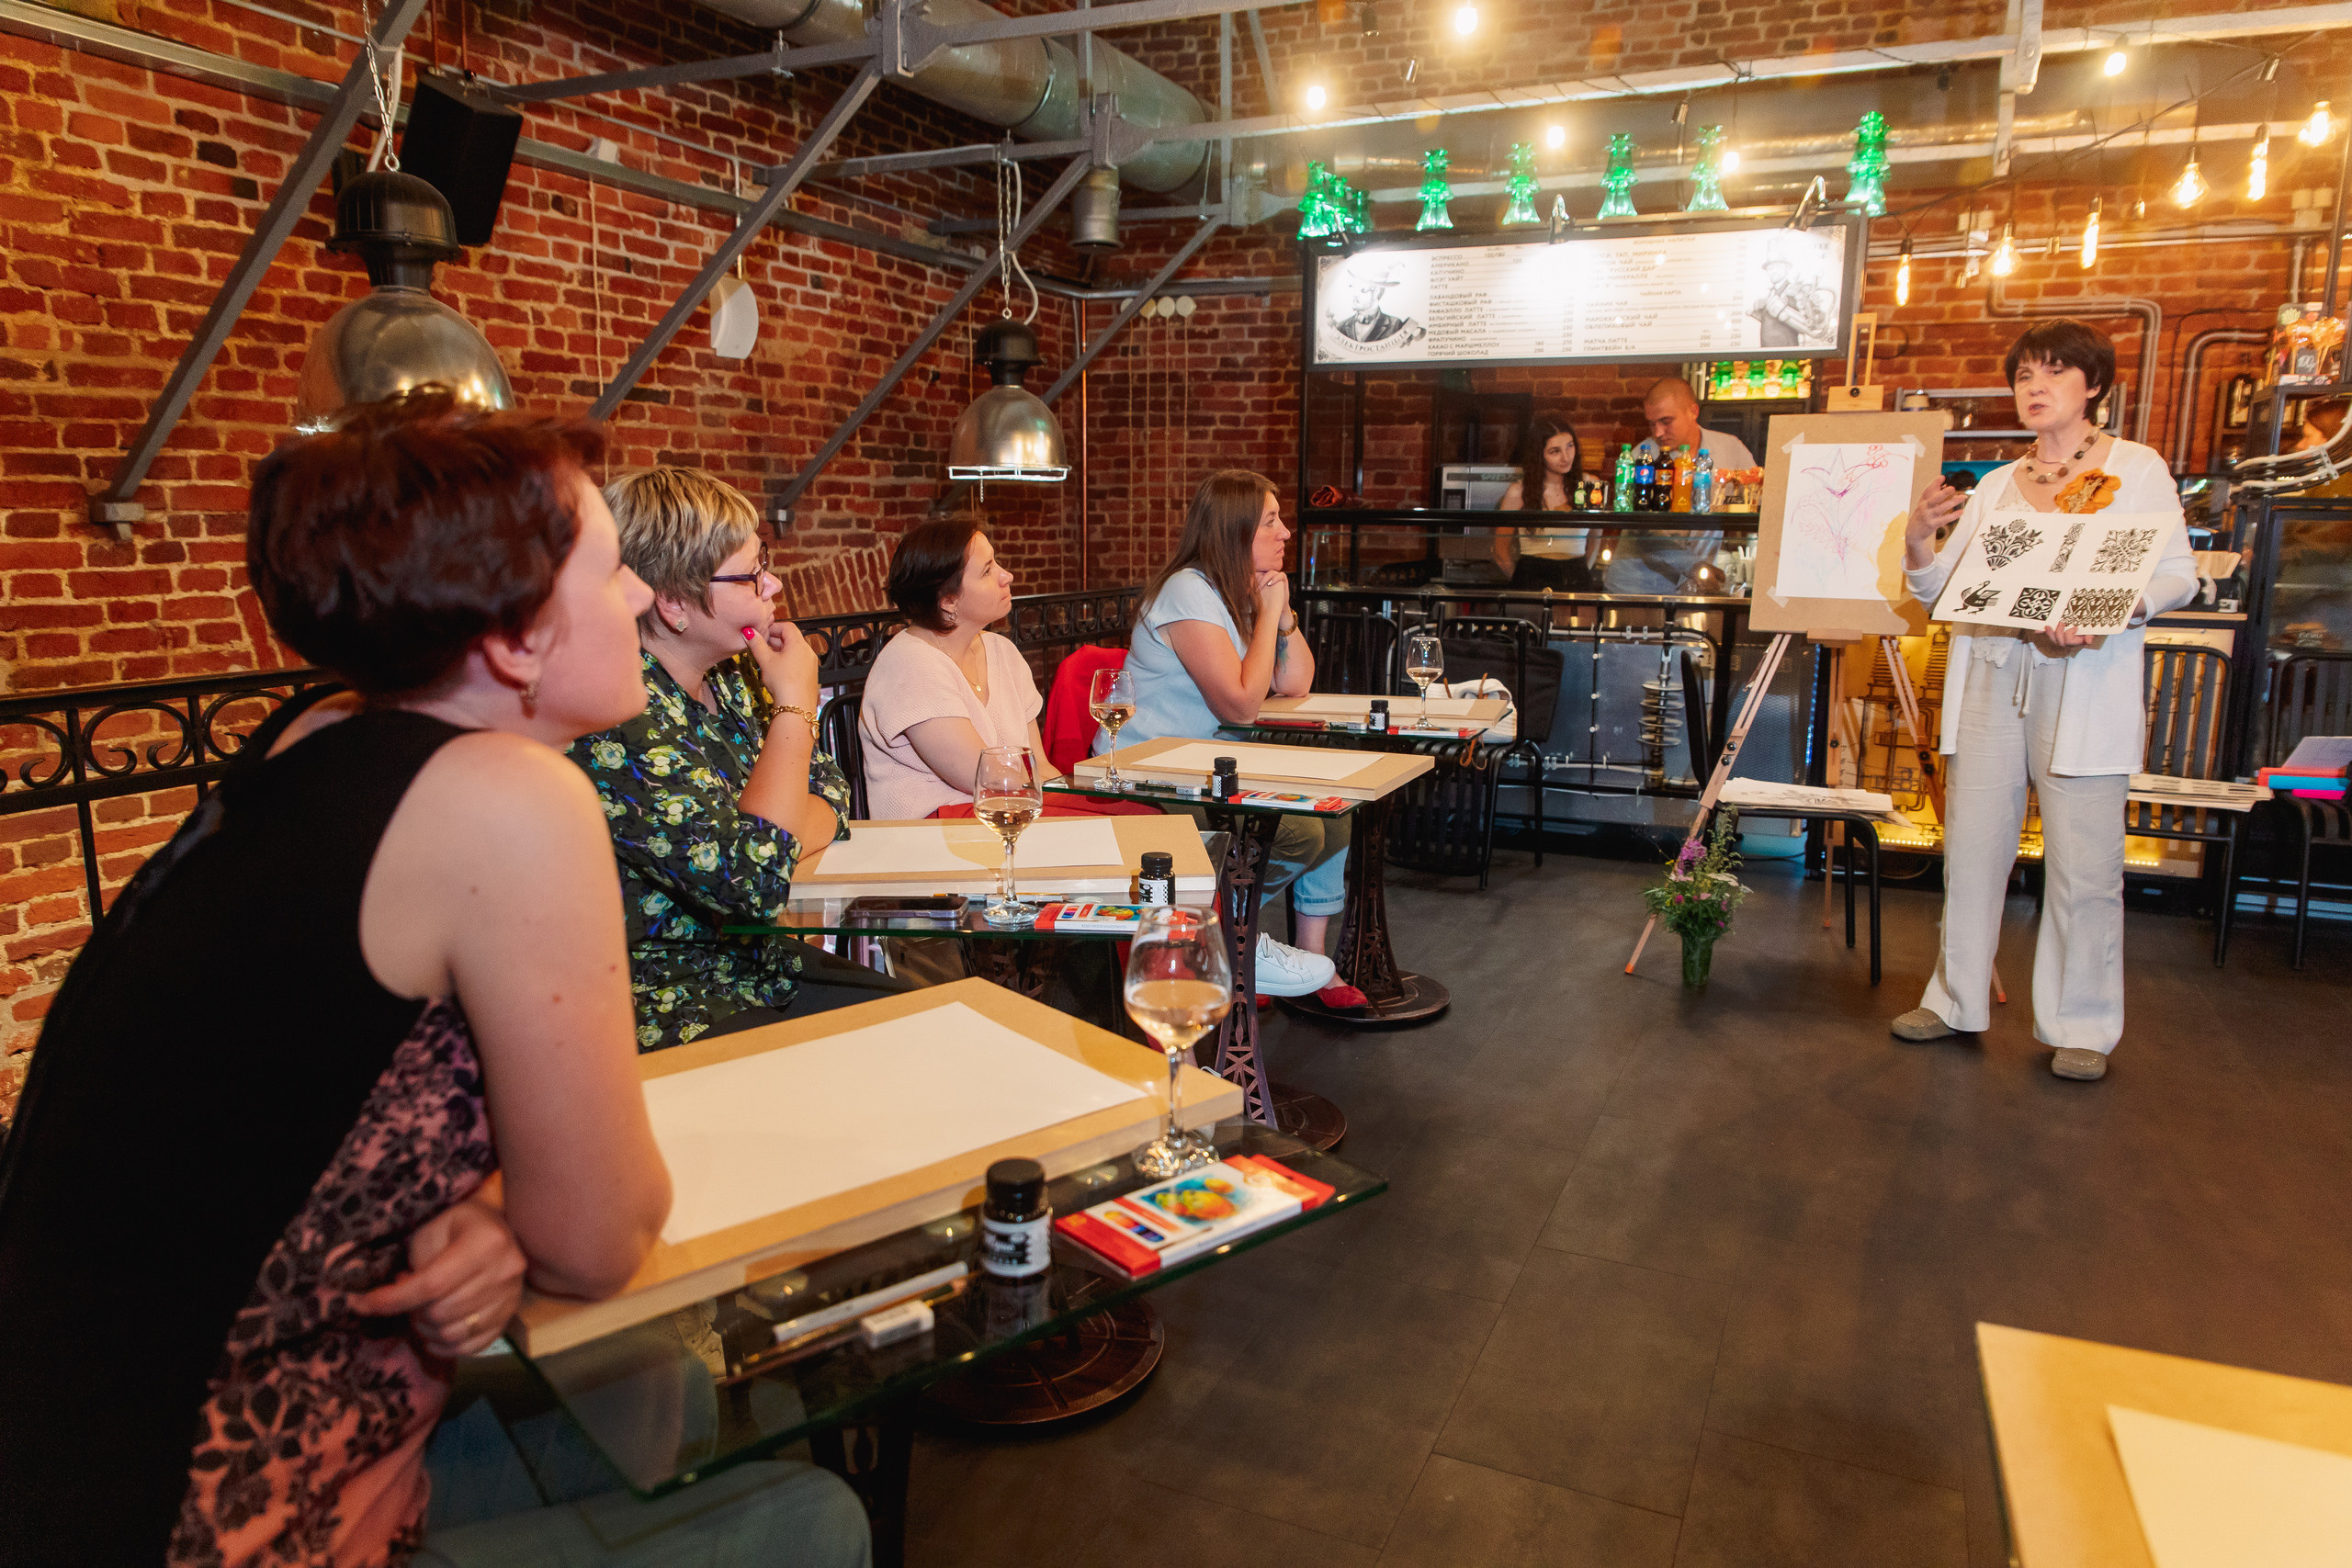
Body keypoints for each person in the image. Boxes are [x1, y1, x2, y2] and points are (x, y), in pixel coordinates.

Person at [0, 391, 867, 1566]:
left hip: (79, 1438)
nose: (634, 602)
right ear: (513, 644)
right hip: (211, 1517)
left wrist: (489, 1205)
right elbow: (604, 1240)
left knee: (654, 1382)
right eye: (610, 571)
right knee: (818, 1519)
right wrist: (527, 1215)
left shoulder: (312, 745)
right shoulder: (510, 797)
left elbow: (321, 1108)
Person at [1891, 320, 2199, 1082]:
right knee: (1972, 846)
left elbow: (2178, 574)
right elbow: (1940, 591)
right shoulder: (1997, 484)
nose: (2034, 387)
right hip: (1994, 668)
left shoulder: (2138, 467)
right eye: (2025, 374)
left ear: (2092, 385)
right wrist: (1921, 540)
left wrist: (2116, 609)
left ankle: (2083, 1024)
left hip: (2084, 677)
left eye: (2053, 373)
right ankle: (1956, 996)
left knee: (2085, 862)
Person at [570, 468, 909, 1052]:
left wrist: (775, 832)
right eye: (751, 576)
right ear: (673, 600)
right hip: (673, 1002)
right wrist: (798, 706)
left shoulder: (729, 678)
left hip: (759, 967)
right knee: (902, 1044)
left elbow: (831, 789)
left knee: (926, 1017)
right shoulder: (616, 716)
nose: (773, 586)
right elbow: (752, 880)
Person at [1114, 470, 1346, 998]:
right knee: (1298, 833)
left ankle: (1293, 964)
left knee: (1334, 823)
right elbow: (1241, 705)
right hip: (1150, 777)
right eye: (1271, 522)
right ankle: (1232, 944)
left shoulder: (1235, 589)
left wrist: (1280, 617)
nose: (1286, 532)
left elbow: (1296, 681)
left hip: (1206, 771)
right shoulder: (1187, 592)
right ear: (1234, 533)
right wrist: (1266, 615)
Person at [861, 518, 1064, 818]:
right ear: (948, 601)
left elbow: (1039, 766)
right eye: (987, 571)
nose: (1006, 576)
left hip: (1004, 813)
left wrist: (1075, 802)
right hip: (935, 834)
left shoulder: (1002, 651)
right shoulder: (910, 664)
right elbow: (988, 778)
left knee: (1127, 815)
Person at [1601, 378, 1758, 594]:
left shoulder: (1730, 448)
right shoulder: (1642, 457)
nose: (1657, 432)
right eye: (1651, 423)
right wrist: (1693, 565)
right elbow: (1644, 530)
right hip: (1637, 587)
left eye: (1666, 421)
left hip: (1695, 588)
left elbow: (1756, 499)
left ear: (1693, 412)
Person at [1490, 416, 1591, 591]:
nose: (1566, 457)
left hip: (1577, 578)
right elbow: (1501, 554)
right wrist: (1524, 584)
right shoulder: (1518, 492)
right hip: (1532, 576)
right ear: (1539, 454)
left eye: (1570, 446)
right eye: (1555, 451)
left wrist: (1581, 572)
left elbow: (1596, 538)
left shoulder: (1590, 486)